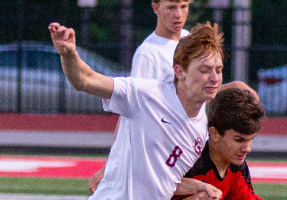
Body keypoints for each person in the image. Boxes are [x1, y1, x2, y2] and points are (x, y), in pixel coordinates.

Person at [49, 21, 250, 199]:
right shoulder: (146, 95)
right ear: (180, 72)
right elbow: (85, 80)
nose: (214, 78)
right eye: (205, 70)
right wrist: (69, 54)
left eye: (219, 69)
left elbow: (163, 183)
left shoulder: (200, 129)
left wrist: (199, 187)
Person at [87, 0, 192, 192]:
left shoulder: (188, 40)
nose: (178, 14)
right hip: (162, 150)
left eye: (183, 6)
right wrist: (112, 164)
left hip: (188, 143)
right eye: (171, 7)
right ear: (155, 7)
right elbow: (129, 109)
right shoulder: (148, 54)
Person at [172, 88, 265, 200]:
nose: (247, 149)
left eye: (251, 139)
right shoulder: (187, 161)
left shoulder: (237, 167)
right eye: (239, 140)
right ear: (214, 134)